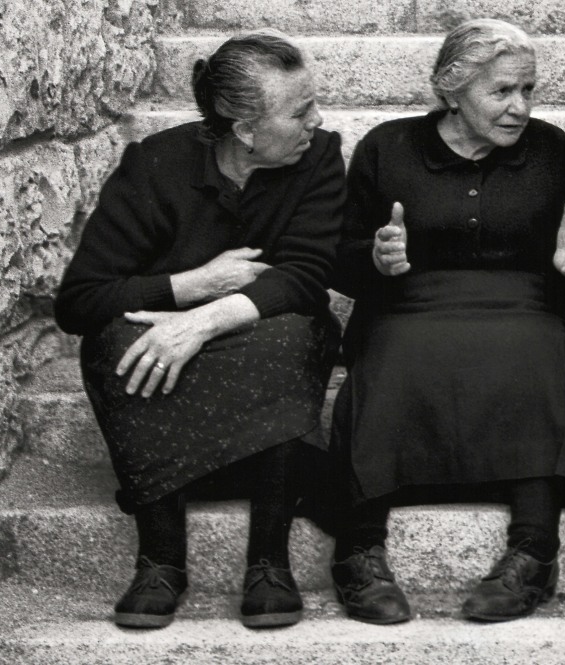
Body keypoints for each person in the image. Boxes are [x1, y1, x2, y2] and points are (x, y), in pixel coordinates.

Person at [53, 30, 345, 629]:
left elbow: (307, 276)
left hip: (258, 334)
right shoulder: (156, 166)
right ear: (243, 129)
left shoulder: (317, 157)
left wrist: (203, 322)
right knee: (114, 343)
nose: (317, 119)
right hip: (173, 344)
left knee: (294, 335)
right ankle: (160, 559)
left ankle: (268, 562)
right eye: (300, 111)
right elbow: (79, 302)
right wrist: (192, 286)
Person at [329, 18, 565, 624]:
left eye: (528, 90)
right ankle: (360, 552)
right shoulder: (388, 147)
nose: (520, 107)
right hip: (409, 307)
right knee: (390, 355)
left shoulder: (552, 151)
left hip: (526, 308)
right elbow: (340, 261)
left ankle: (532, 553)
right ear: (452, 89)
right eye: (502, 92)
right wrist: (376, 260)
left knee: (544, 352)